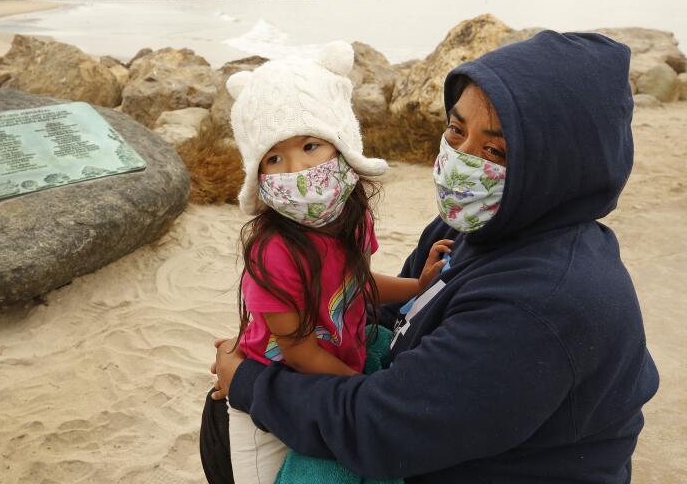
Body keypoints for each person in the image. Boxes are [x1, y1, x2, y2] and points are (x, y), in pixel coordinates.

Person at [202, 31, 660, 483]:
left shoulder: (541, 303)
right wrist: (288, 332)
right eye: (456, 130)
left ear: (561, 164)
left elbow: (382, 429)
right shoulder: (470, 227)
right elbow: (382, 307)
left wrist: (250, 383)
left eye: (494, 150)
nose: (460, 160)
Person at [219, 41, 453, 484]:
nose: (296, 169)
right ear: (258, 173)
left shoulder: (352, 218)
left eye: (310, 145)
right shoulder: (273, 251)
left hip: (335, 372)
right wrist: (362, 395)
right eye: (274, 157)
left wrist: (417, 286)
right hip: (270, 397)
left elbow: (357, 285)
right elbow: (300, 350)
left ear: (342, 146)